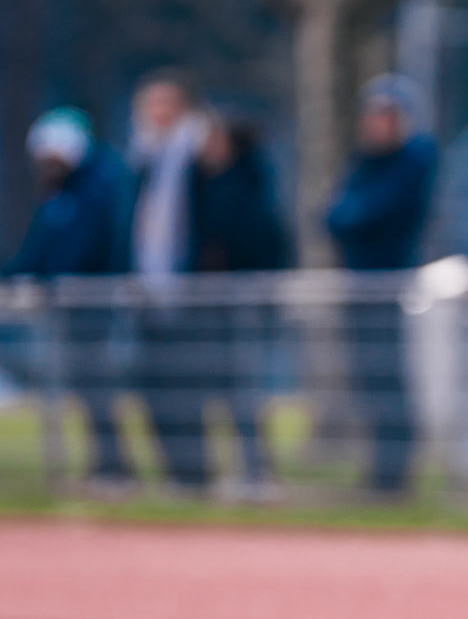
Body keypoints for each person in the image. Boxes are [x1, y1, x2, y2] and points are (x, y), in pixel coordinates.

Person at [3, 107, 131, 487]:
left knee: (98, 388)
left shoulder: (95, 187)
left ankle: (113, 468)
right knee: (83, 391)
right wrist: (17, 275)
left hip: (90, 303)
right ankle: (104, 467)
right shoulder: (59, 194)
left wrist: (53, 278)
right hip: (68, 305)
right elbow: (41, 247)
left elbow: (86, 245)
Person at [326, 76, 438, 494]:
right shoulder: (364, 161)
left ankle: (394, 473)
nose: (378, 125)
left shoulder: (413, 159)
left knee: (388, 379)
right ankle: (378, 472)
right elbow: (334, 216)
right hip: (359, 284)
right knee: (366, 380)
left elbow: (364, 214)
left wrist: (352, 215)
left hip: (388, 285)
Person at [189, 111, 292, 496]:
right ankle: (242, 470)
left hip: (244, 304)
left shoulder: (246, 186)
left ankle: (257, 471)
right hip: (215, 305)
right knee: (223, 392)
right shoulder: (203, 183)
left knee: (246, 392)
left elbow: (260, 241)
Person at [127, 70, 211, 489]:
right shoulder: (141, 158)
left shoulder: (201, 155)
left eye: (167, 105)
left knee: (191, 389)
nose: (158, 114)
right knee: (152, 388)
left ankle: (196, 473)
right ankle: (175, 473)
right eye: (151, 105)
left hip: (193, 293)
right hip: (149, 292)